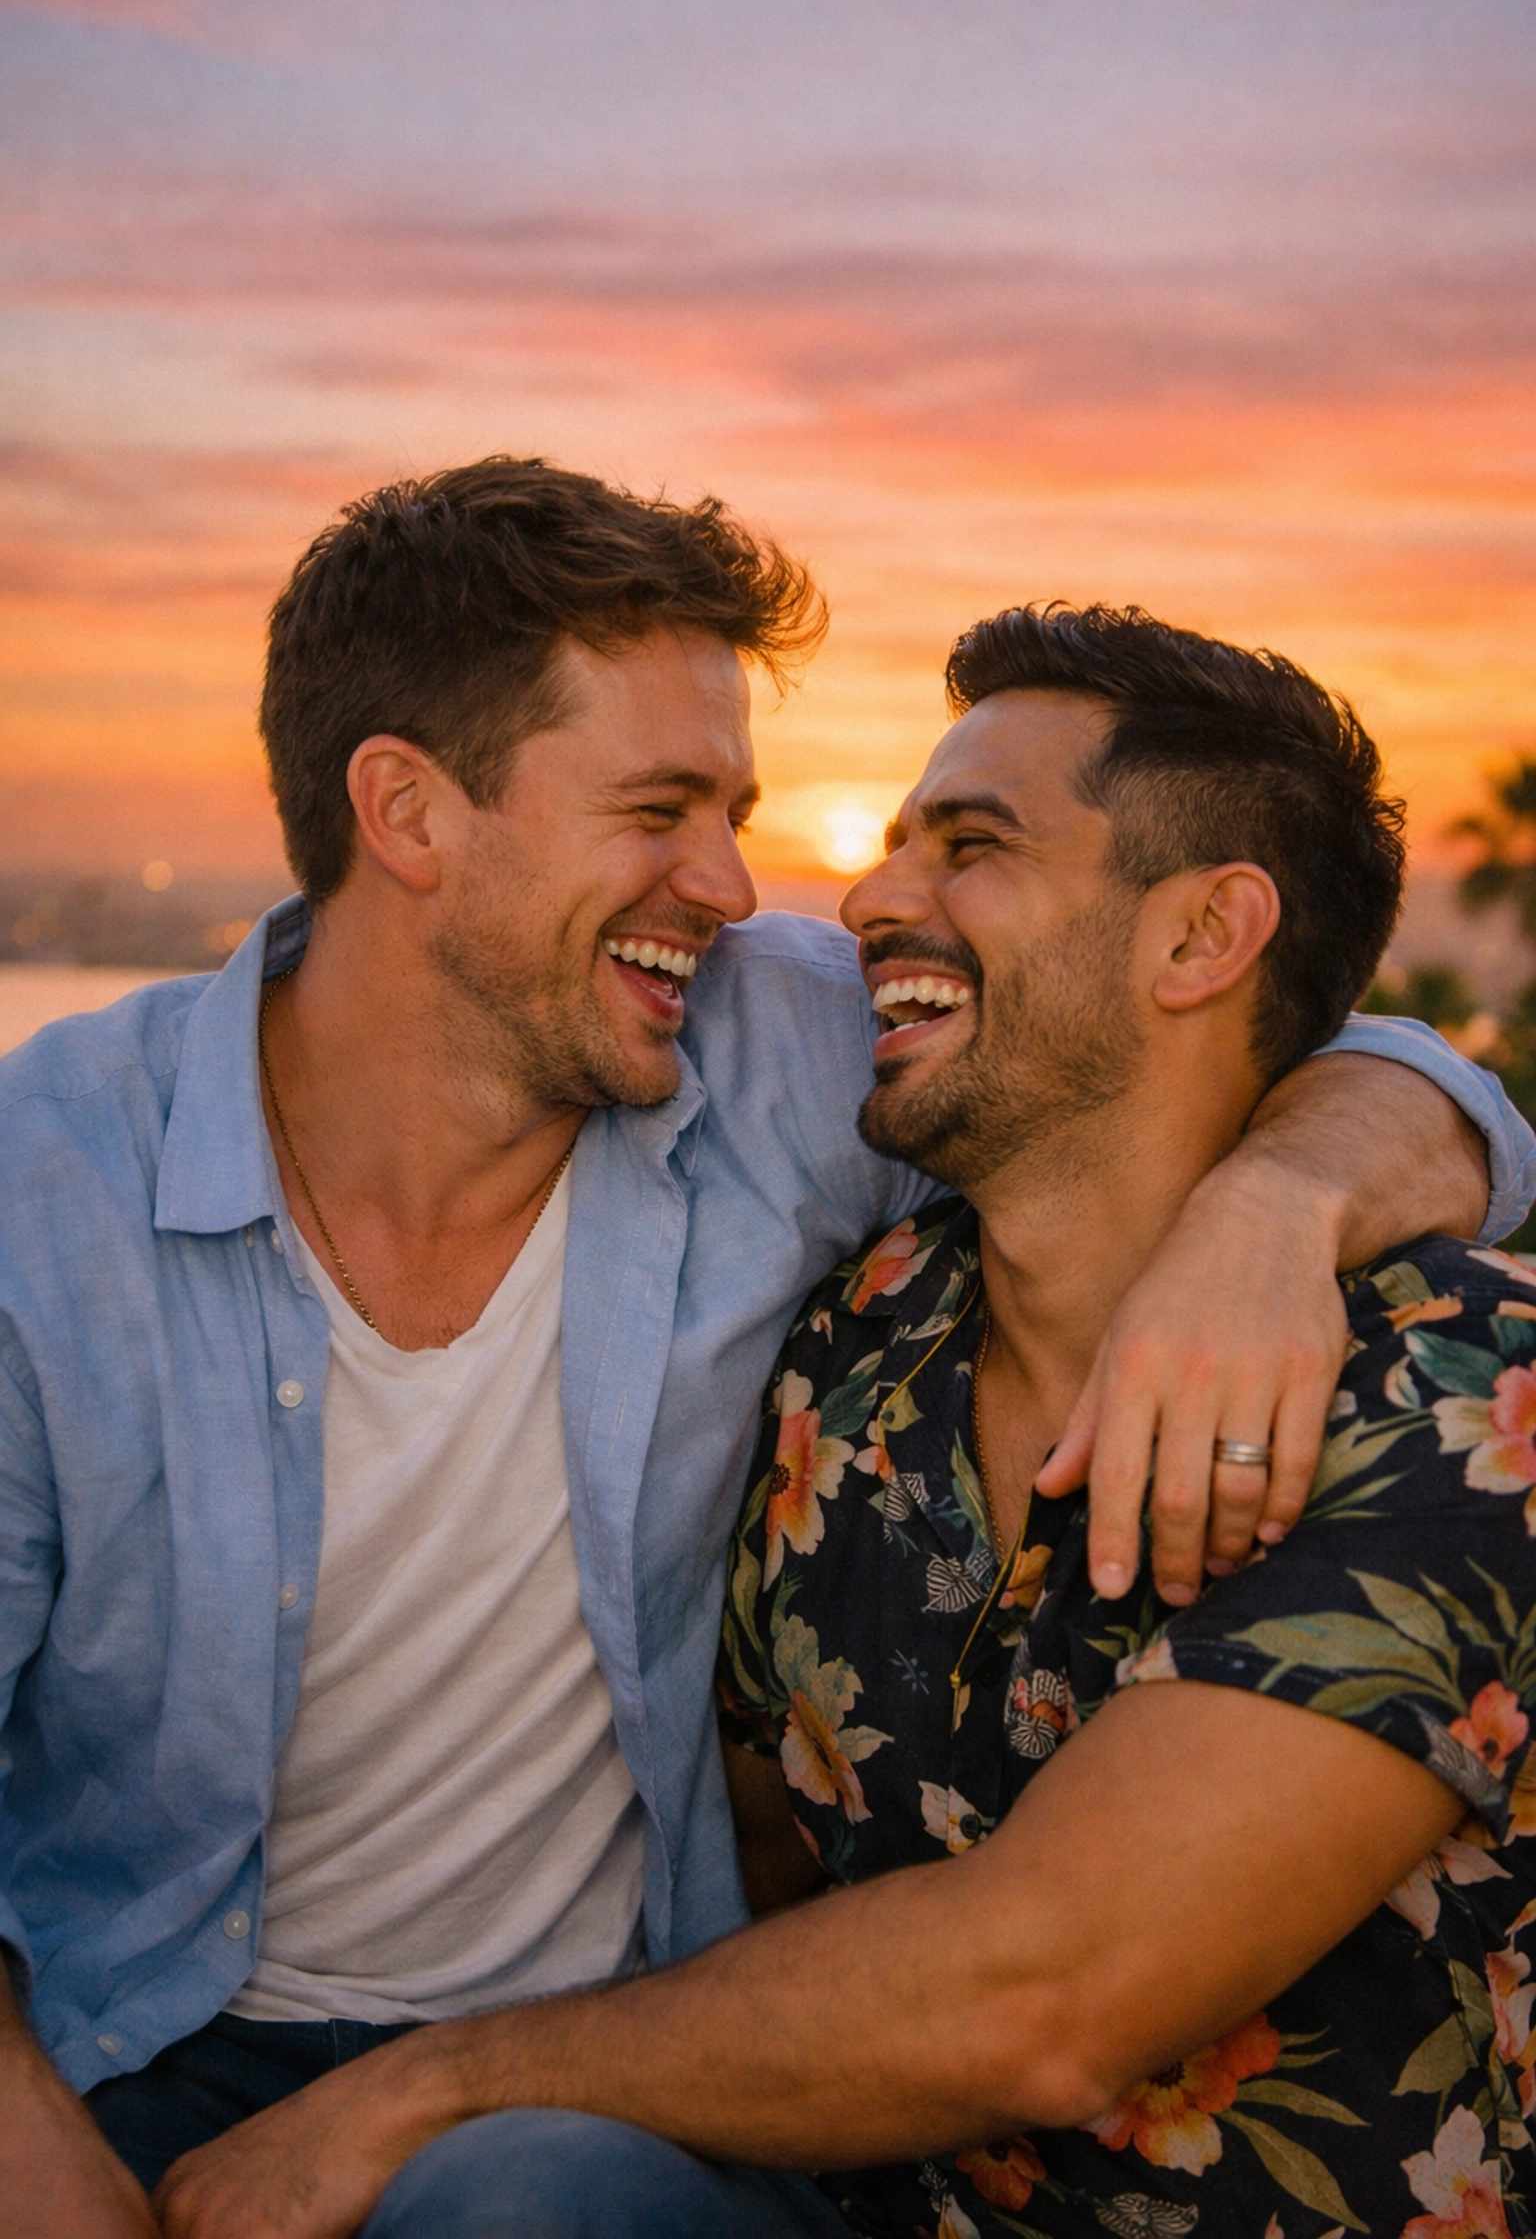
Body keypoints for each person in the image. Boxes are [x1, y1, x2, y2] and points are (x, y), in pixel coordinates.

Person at [0, 467, 1524, 2239]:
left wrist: (1274, 1210)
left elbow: (1364, 1057)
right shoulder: (55, 1199)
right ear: (407, 813)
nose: (743, 890)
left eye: (742, 809)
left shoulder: (787, 1052)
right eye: (663, 808)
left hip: (616, 2065)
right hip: (150, 2029)